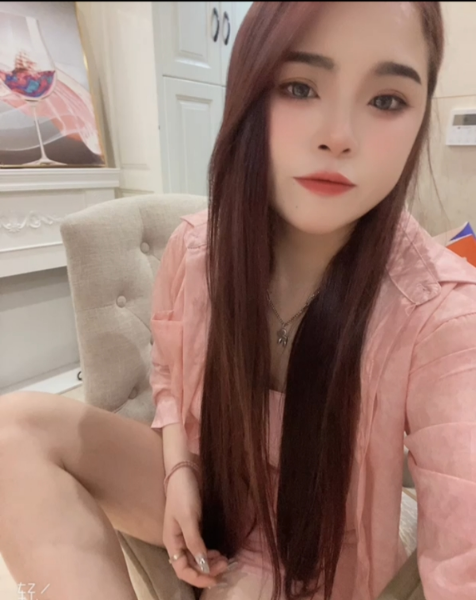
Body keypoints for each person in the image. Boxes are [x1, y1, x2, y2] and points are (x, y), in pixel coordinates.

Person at [1, 2, 475, 599]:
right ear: (249, 92)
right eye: (300, 87)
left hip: (325, 551)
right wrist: (178, 470)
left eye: (386, 100)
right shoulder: (197, 250)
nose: (339, 137)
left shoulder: (442, 315)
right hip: (216, 493)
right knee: (13, 432)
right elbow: (169, 376)